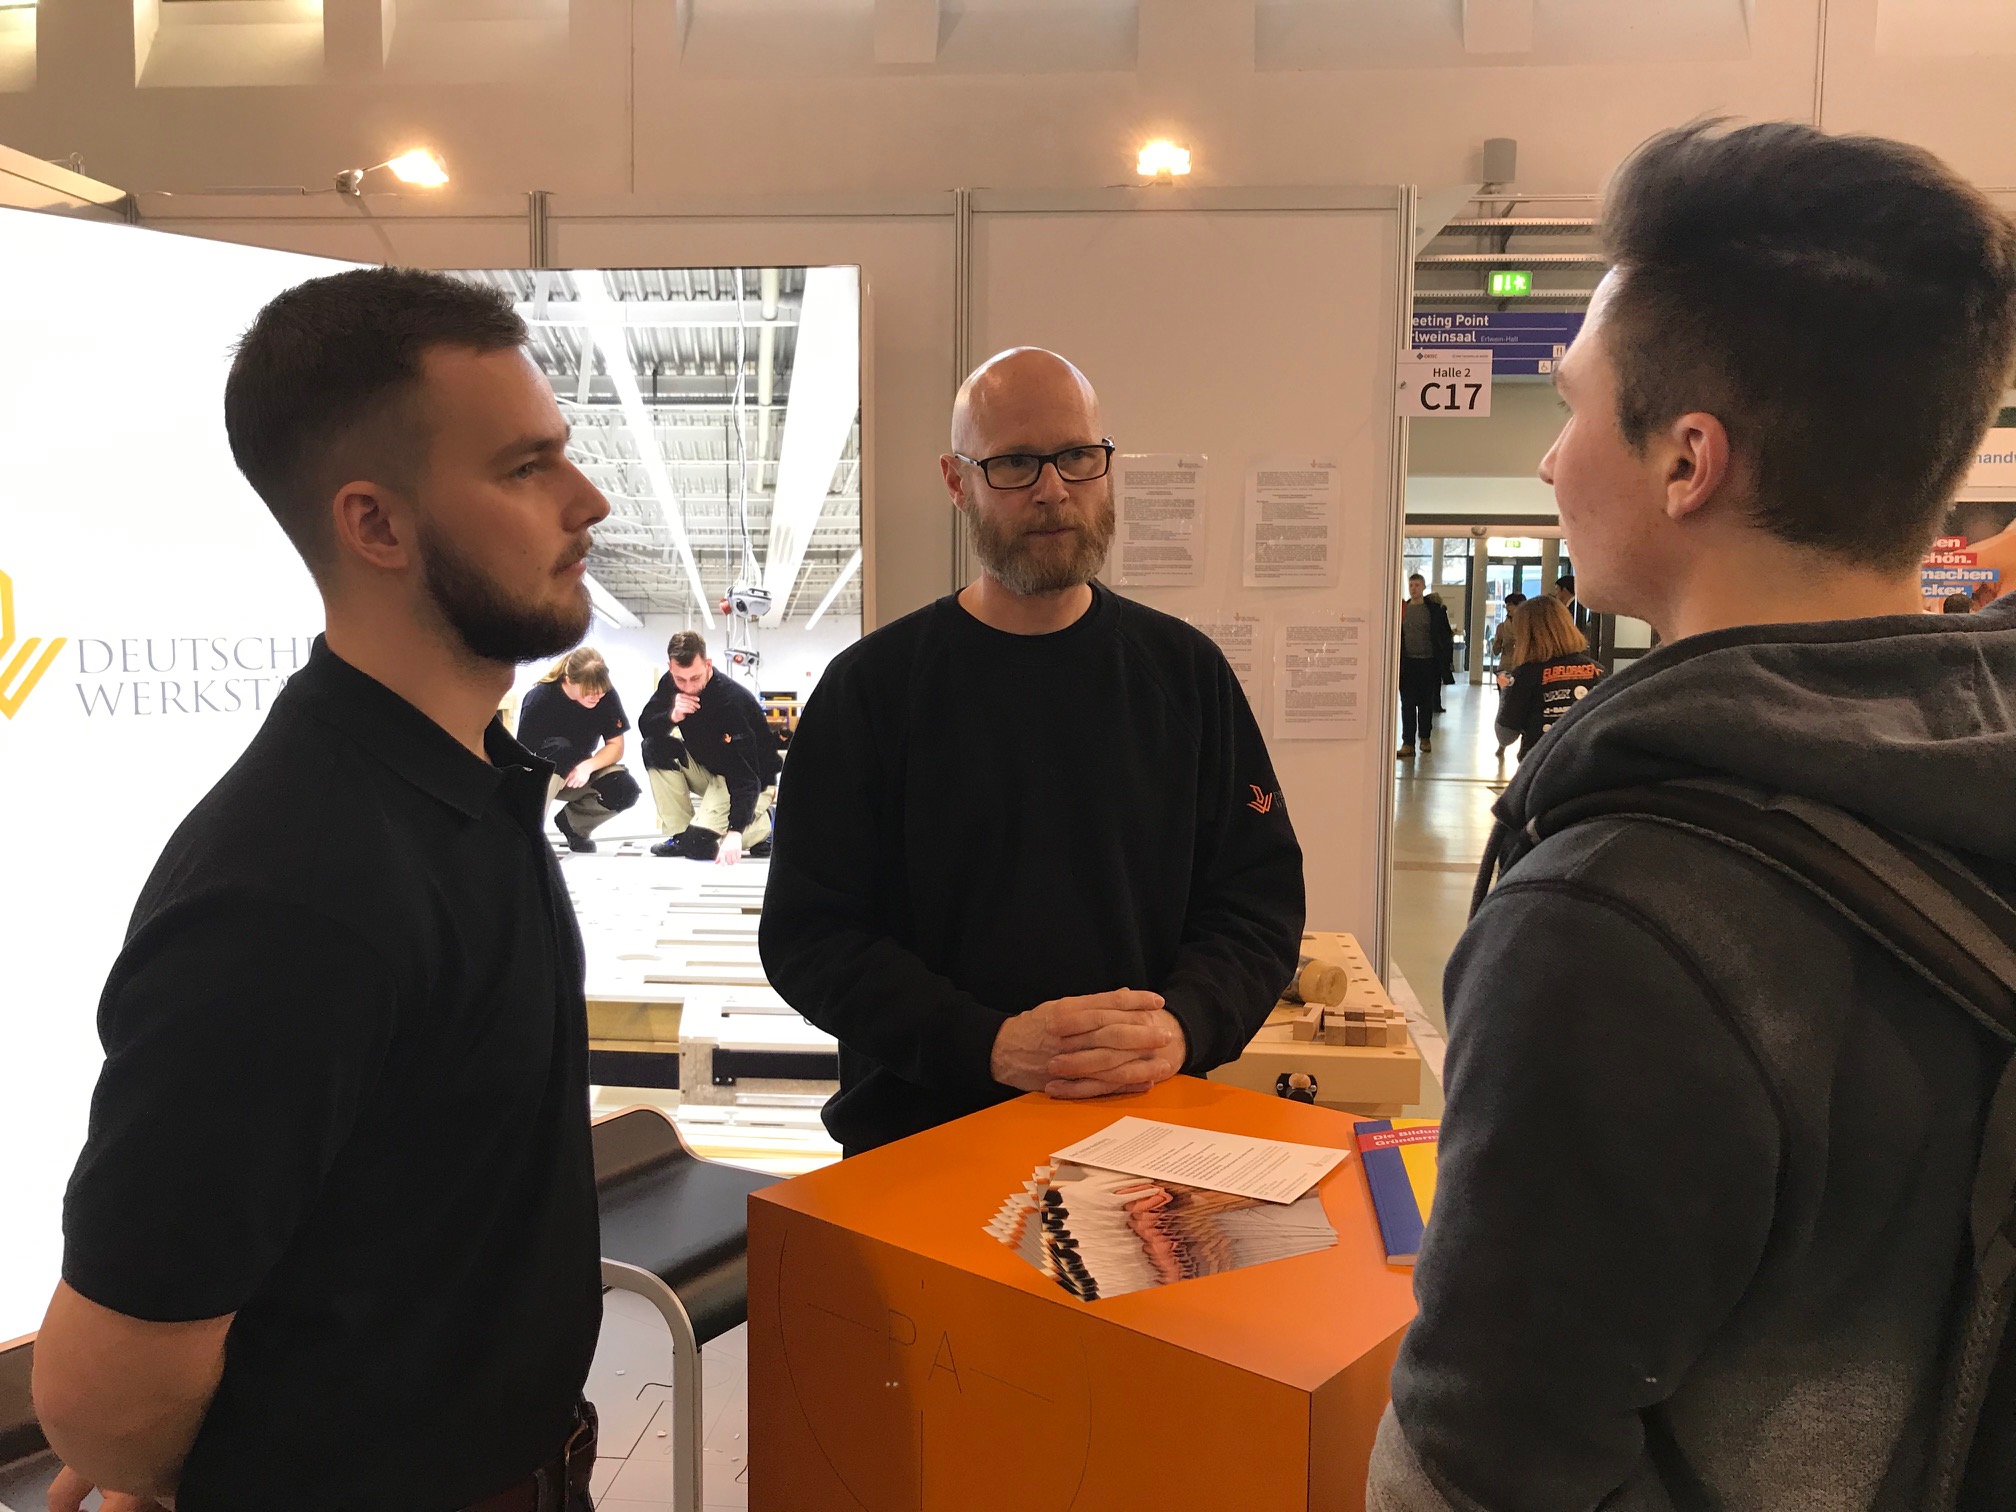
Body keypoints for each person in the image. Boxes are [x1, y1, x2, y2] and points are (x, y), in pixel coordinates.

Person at [1369, 122, 2016, 1511]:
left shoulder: (1619, 922)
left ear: (1689, 461)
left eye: (1573, 401)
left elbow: (1482, 1460)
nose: (1549, 462)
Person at [32, 269, 608, 1511]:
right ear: (377, 526)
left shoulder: (464, 786)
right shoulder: (298, 890)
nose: (588, 500)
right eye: (526, 468)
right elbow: (99, 1391)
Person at [758, 347, 1305, 1154]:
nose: (1053, 490)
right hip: (919, 1147)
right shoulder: (871, 690)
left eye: (1078, 458)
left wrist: (1185, 1027)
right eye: (1014, 463)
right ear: (957, 481)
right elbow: (811, 936)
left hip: (1142, 1134)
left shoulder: (1185, 676)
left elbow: (1256, 904)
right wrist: (987, 1044)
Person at [637, 630, 781, 865]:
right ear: (670, 667)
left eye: (695, 678)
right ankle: (680, 833)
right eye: (680, 679)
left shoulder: (731, 702)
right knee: (654, 747)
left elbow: (746, 775)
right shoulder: (671, 683)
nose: (688, 686)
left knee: (700, 846)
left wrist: (735, 831)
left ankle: (766, 825)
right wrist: (671, 715)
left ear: (708, 664)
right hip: (710, 771)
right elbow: (646, 726)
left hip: (752, 780)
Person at [518, 645, 637, 853]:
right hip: (543, 777)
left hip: (578, 776)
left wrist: (588, 766)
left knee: (624, 789)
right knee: (560, 750)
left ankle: (573, 825)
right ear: (569, 680)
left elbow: (616, 746)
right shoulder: (540, 699)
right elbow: (522, 758)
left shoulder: (605, 697)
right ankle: (529, 834)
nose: (596, 697)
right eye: (590, 692)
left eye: (600, 692)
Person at [1491, 594, 1603, 759]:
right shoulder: (1596, 670)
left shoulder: (1526, 675)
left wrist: (1506, 691)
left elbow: (1505, 735)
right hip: (1586, 765)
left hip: (1540, 765)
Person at [1396, 572, 1454, 759]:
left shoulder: (1434, 610)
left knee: (1425, 703)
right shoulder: (1401, 609)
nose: (1413, 589)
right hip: (1407, 664)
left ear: (1423, 587)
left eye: (1417, 585)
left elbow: (1444, 637)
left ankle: (1425, 738)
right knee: (1407, 704)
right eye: (1411, 585)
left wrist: (1445, 662)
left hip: (1428, 663)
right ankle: (1408, 743)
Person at [1486, 590, 1525, 670]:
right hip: (1505, 667)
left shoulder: (1528, 626)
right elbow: (1496, 651)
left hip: (1522, 668)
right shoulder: (1502, 627)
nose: (1507, 607)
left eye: (1510, 604)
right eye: (1506, 604)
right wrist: (1497, 642)